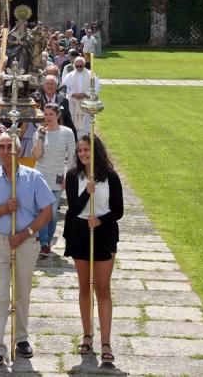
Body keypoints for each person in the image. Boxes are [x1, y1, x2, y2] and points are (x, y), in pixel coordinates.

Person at [0, 132, 54, 372]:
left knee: (22, 292)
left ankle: (21, 338)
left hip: (25, 241)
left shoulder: (33, 177)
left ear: (18, 151)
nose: (6, 150)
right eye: (2, 147)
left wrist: (26, 233)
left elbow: (47, 212)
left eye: (10, 146)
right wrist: (3, 209)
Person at [63, 134, 123, 365]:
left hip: (103, 231)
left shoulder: (110, 177)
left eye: (86, 150)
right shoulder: (73, 176)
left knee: (102, 288)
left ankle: (106, 341)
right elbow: (73, 207)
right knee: (84, 286)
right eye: (79, 151)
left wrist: (100, 221)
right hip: (79, 231)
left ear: (95, 151)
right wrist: (86, 192)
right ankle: (87, 334)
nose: (83, 155)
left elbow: (118, 210)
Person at [31, 103, 75, 257]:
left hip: (57, 177)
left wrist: (68, 177)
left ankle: (47, 240)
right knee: (43, 210)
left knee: (53, 213)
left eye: (51, 114)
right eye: (46, 114)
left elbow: (71, 157)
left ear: (57, 115)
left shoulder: (67, 133)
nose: (48, 117)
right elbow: (36, 156)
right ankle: (44, 243)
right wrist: (41, 138)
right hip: (40, 176)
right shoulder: (39, 133)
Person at [62, 57, 100, 138]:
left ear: (84, 65)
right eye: (77, 66)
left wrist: (86, 94)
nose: (79, 68)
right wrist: (72, 94)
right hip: (73, 103)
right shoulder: (69, 76)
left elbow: (96, 87)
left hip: (86, 103)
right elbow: (64, 87)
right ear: (74, 65)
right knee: (73, 122)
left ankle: (86, 138)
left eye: (81, 66)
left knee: (86, 124)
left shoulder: (91, 75)